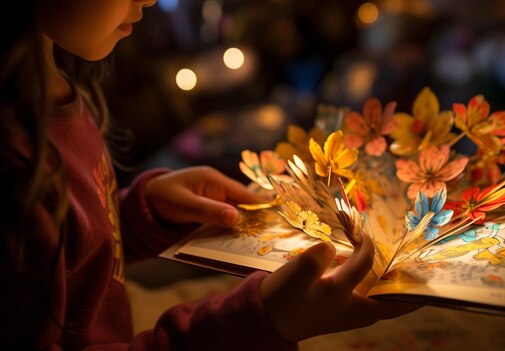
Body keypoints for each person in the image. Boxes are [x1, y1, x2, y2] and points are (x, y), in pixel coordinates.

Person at [0, 0, 418, 350]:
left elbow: (70, 262)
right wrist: (258, 322)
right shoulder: (15, 171)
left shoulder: (51, 89)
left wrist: (141, 215)